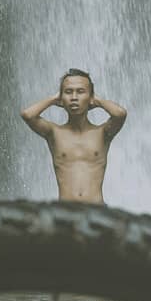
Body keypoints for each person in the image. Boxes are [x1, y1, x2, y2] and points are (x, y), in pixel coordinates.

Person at [21, 68, 127, 205]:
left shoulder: (103, 133)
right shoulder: (54, 133)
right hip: (66, 212)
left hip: (97, 209)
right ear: (61, 97)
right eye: (68, 92)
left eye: (81, 92)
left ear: (90, 96)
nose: (74, 97)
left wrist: (97, 100)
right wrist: (54, 98)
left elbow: (120, 114)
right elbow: (27, 115)